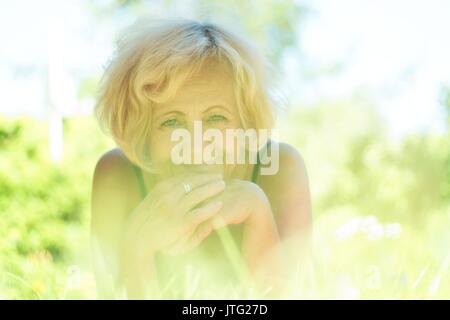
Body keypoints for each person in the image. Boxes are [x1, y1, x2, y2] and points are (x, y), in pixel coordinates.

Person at [90, 18, 312, 299]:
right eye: (171, 122)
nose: (196, 144)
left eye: (216, 117)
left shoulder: (280, 169)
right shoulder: (117, 176)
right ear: (142, 132)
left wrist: (258, 213)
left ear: (246, 126)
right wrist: (138, 245)